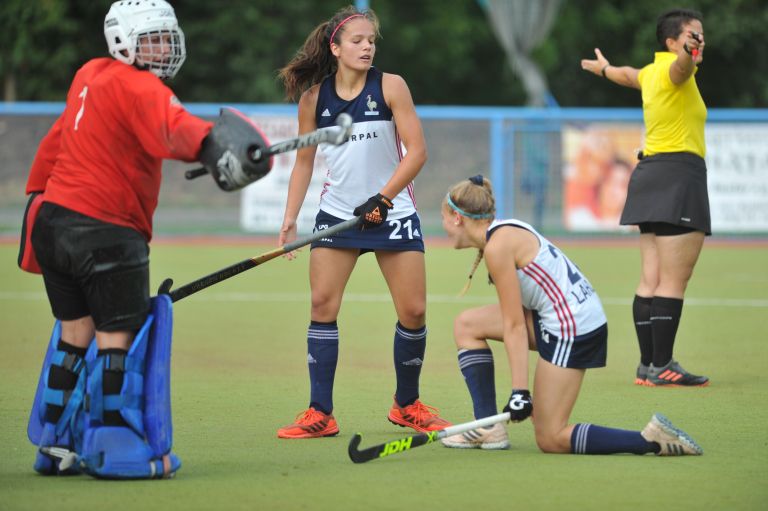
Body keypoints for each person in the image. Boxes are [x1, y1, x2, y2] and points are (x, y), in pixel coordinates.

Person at [21, 1, 268, 479]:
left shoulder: (89, 75)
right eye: (152, 39)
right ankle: (116, 449)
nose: (163, 48)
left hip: (54, 224)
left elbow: (56, 143)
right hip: (107, 231)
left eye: (166, 38)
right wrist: (217, 146)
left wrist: (36, 198)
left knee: (74, 336)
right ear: (123, 41)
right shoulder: (141, 85)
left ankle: (54, 444)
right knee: (119, 340)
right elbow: (175, 130)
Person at [275, 5, 450, 438]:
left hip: (393, 212)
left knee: (414, 311)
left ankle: (406, 405)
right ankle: (320, 413)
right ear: (335, 48)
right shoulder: (313, 100)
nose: (367, 47)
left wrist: (383, 199)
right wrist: (290, 218)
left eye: (371, 40)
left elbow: (418, 152)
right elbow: (303, 163)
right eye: (357, 40)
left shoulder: (391, 86)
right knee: (322, 305)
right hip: (338, 215)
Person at [438, 175, 702, 456]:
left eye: (444, 218)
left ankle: (650, 440)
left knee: (551, 438)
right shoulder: (502, 232)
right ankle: (488, 426)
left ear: (457, 217)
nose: (444, 227)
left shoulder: (497, 246)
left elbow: (514, 325)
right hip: (559, 316)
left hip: (572, 326)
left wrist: (519, 392)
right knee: (467, 325)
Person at [580, 9, 710, 387]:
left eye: (701, 35)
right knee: (672, 280)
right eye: (691, 35)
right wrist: (689, 54)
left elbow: (627, 75)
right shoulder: (676, 70)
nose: (699, 40)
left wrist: (605, 69)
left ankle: (648, 365)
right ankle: (663, 364)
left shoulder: (651, 73)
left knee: (650, 278)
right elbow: (682, 69)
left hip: (649, 175)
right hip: (677, 176)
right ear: (672, 42)